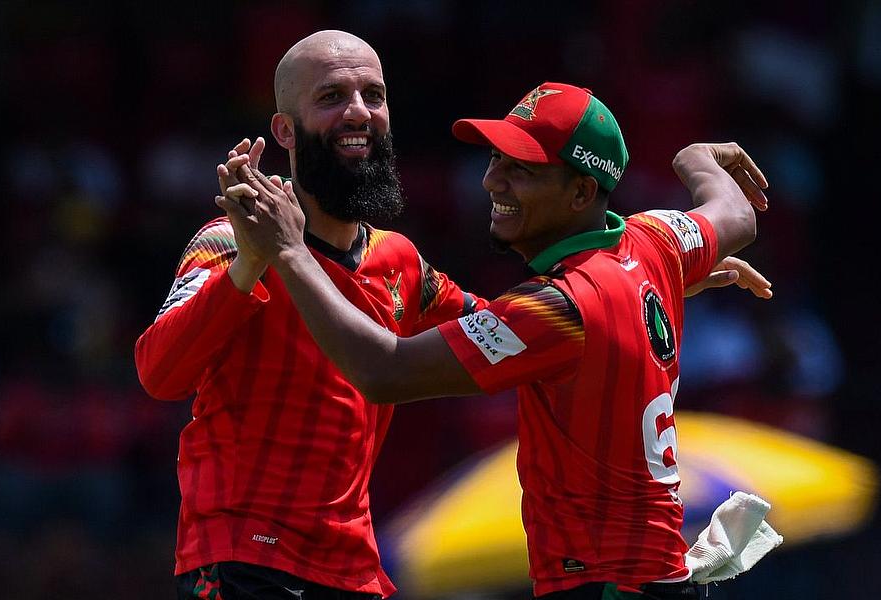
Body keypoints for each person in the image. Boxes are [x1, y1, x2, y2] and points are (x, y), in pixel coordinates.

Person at [217, 82, 769, 599]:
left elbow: (385, 370)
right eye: (495, 160)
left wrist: (289, 250)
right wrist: (693, 161)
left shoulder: (557, 310)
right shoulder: (656, 244)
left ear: (581, 190)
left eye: (521, 169)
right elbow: (735, 215)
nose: (492, 181)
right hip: (652, 579)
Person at [134, 30, 484, 600]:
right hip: (243, 555)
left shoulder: (399, 259)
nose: (358, 113)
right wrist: (250, 263)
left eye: (373, 95)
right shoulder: (227, 241)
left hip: (353, 569)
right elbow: (158, 373)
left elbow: (500, 330)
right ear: (284, 132)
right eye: (331, 98)